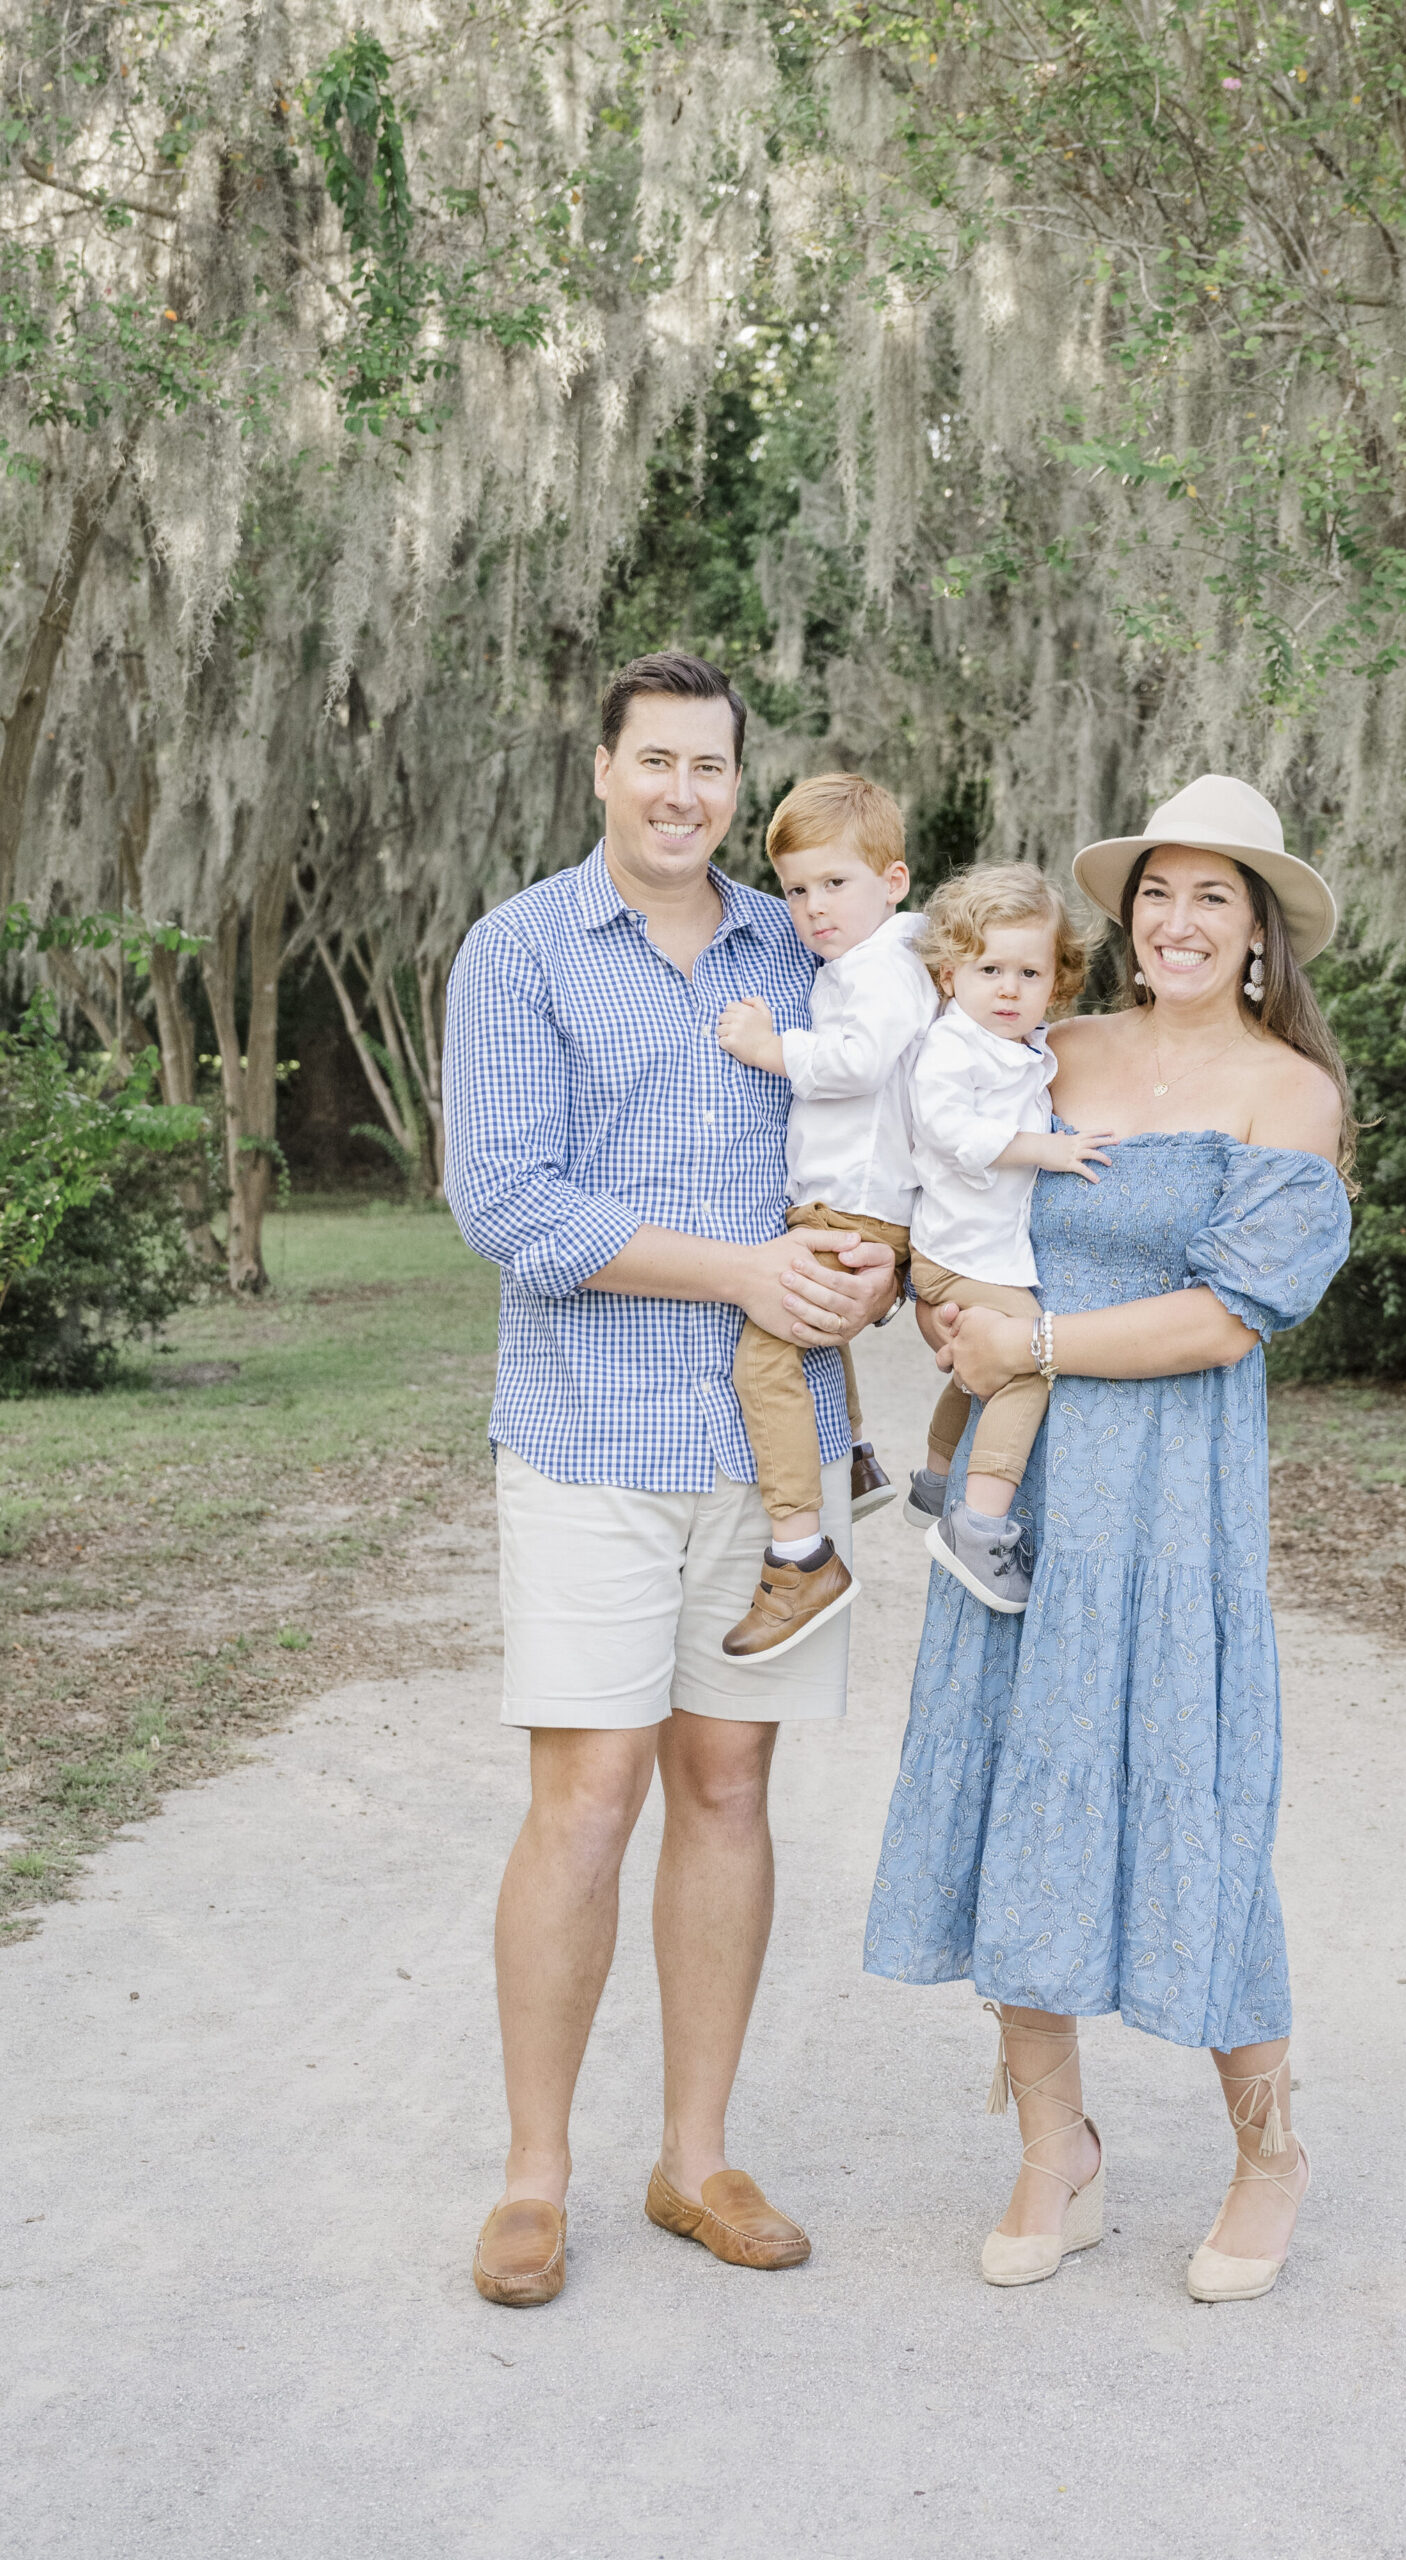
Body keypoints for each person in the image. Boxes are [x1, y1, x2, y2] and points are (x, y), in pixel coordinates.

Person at [444, 651, 898, 2309]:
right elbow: (504, 1203)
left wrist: (874, 1275)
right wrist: (739, 1276)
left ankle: (695, 2159)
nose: (684, 795)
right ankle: (534, 2179)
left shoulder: (809, 943)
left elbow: (891, 1138)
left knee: (727, 1790)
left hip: (775, 1465)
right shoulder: (523, 952)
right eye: (656, 763)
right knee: (587, 1799)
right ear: (602, 769)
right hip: (593, 1443)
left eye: (710, 768)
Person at [863, 773, 1353, 2302]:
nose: (1178, 918)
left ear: (1259, 930)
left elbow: (1225, 1317)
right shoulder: (1046, 1052)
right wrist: (948, 1310)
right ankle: (1050, 2154)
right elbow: (946, 1193)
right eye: (1157, 890)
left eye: (1214, 895)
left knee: (1195, 1813)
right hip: (1030, 1501)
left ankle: (1265, 2153)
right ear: (1122, 915)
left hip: (1171, 1504)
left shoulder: (1288, 1095)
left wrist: (1036, 1342)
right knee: (1021, 1793)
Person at [713, 773, 937, 1663]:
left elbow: (859, 1060)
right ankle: (849, 1459)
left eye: (834, 885)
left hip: (855, 1209)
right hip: (840, 1202)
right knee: (813, 1338)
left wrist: (769, 1049)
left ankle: (801, 1555)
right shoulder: (862, 961)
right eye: (795, 889)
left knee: (763, 1360)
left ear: (894, 881)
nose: (811, 908)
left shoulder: (883, 969)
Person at [900, 866, 1112, 1614]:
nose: (1008, 989)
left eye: (1029, 972)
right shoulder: (952, 1048)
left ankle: (935, 1476)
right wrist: (1043, 1148)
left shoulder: (1019, 1044)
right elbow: (947, 1131)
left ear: (1056, 981)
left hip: (981, 1250)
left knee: (977, 1366)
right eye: (989, 969)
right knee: (1026, 1365)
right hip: (960, 1253)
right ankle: (979, 1524)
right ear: (950, 972)